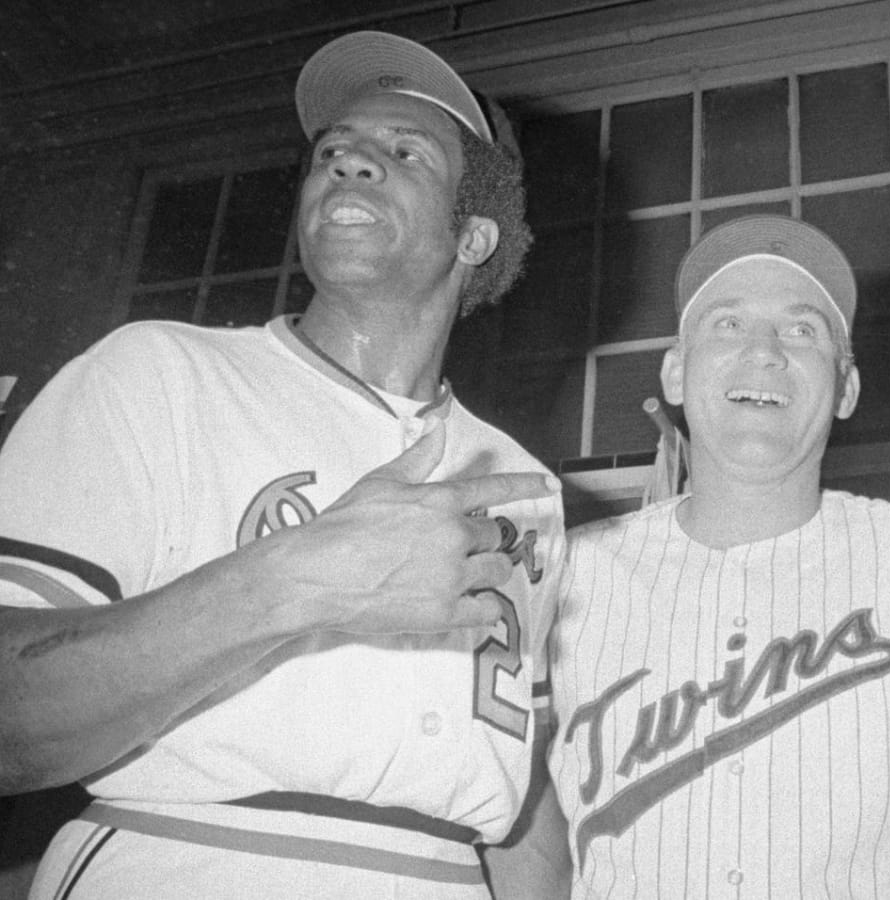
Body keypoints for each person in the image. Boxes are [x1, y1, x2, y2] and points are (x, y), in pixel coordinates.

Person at [0, 30, 566, 899]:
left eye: (403, 151)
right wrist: (287, 585)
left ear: (475, 239)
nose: (351, 162)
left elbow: (516, 800)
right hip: (188, 857)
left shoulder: (522, 481)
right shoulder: (156, 373)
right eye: (333, 151)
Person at [526, 214, 890, 897]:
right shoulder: (571, 576)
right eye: (727, 324)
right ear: (676, 374)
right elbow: (526, 824)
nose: (765, 351)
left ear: (847, 388)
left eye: (802, 330)